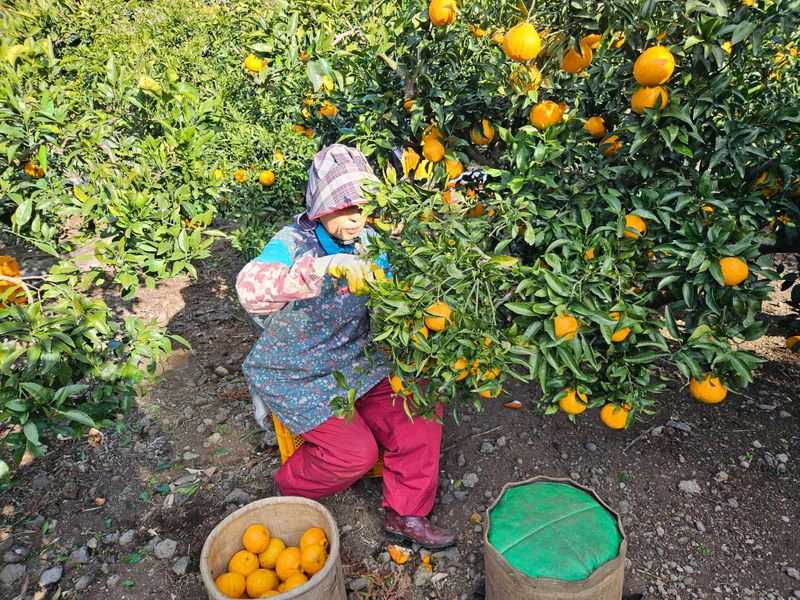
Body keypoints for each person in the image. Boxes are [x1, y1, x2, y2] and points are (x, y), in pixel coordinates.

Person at [235, 144, 456, 548]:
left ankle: (405, 512)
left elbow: (399, 293)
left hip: (358, 358)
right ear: (319, 208)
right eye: (344, 208)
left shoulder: (370, 241)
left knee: (422, 404)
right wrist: (322, 268)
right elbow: (249, 288)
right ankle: (288, 487)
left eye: (363, 207)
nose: (356, 217)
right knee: (353, 455)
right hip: (296, 372)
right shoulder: (291, 242)